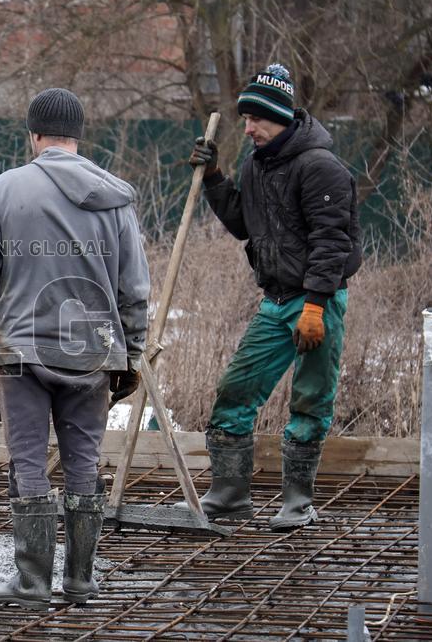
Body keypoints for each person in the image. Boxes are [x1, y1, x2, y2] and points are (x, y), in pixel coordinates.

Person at [0, 88, 150, 609]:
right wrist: (131, 354)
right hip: (91, 353)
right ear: (76, 135)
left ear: (34, 136)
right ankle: (82, 580)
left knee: (28, 463)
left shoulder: (6, 188)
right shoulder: (114, 197)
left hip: (23, 353)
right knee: (84, 463)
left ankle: (32, 582)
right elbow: (135, 288)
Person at [185, 64, 361, 531]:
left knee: (309, 400)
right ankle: (228, 497)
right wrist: (216, 178)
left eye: (256, 119)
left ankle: (297, 503)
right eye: (244, 119)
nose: (248, 128)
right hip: (276, 300)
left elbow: (332, 242)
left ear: (280, 117)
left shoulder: (320, 167)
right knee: (234, 393)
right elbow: (245, 223)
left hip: (317, 302)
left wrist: (316, 306)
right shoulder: (256, 166)